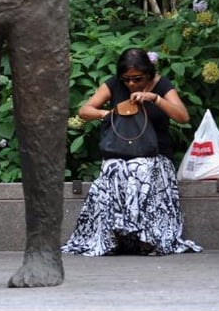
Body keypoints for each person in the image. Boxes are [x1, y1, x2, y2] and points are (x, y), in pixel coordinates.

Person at [62, 48, 202, 256]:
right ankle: (115, 236)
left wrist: (154, 98)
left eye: (137, 79)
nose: (131, 84)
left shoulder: (161, 85)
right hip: (121, 154)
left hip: (156, 156)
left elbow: (183, 116)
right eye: (126, 79)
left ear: (148, 73)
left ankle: (147, 237)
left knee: (141, 169)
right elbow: (85, 110)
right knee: (113, 169)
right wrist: (110, 113)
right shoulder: (114, 84)